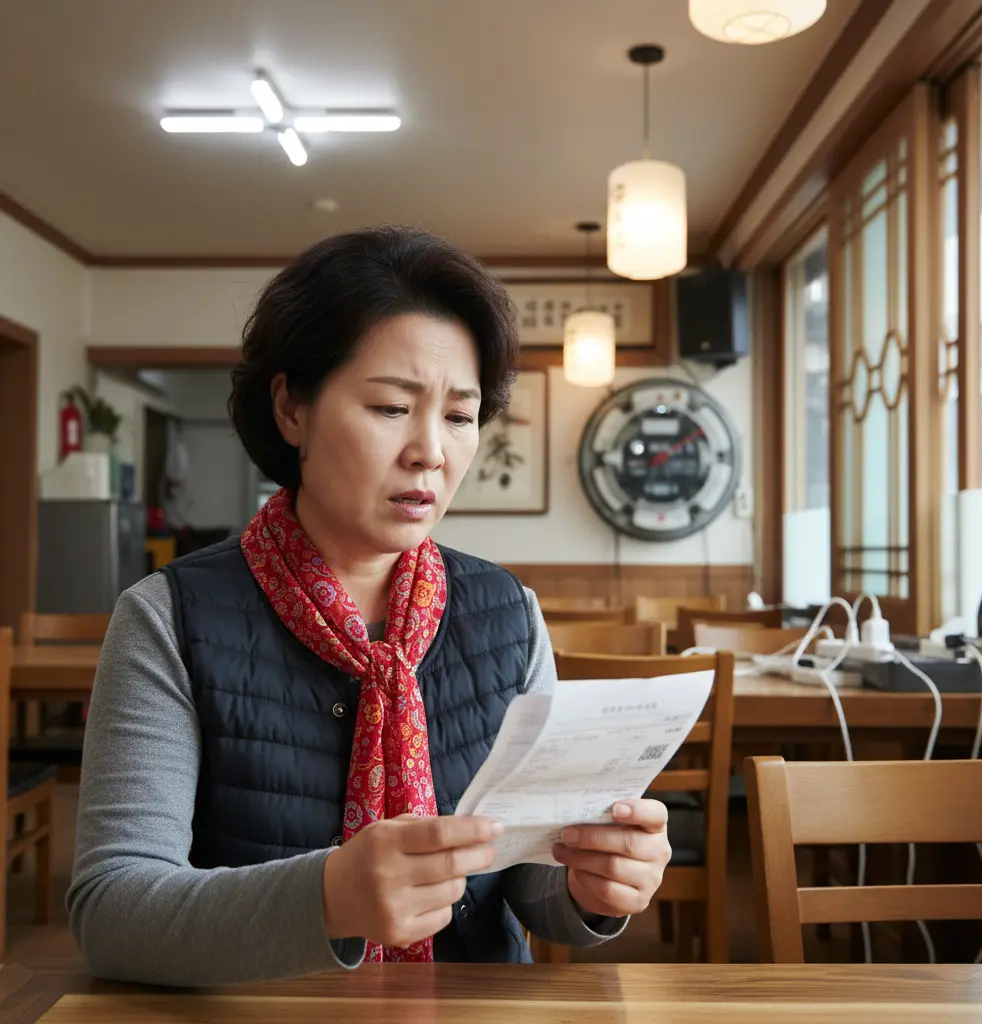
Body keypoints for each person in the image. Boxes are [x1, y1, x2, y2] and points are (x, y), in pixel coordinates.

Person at [68, 227, 671, 985]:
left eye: (459, 416)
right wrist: (328, 899)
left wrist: (590, 885)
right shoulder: (168, 618)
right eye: (391, 407)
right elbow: (113, 909)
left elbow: (524, 878)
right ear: (292, 410)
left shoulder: (508, 613)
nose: (431, 451)